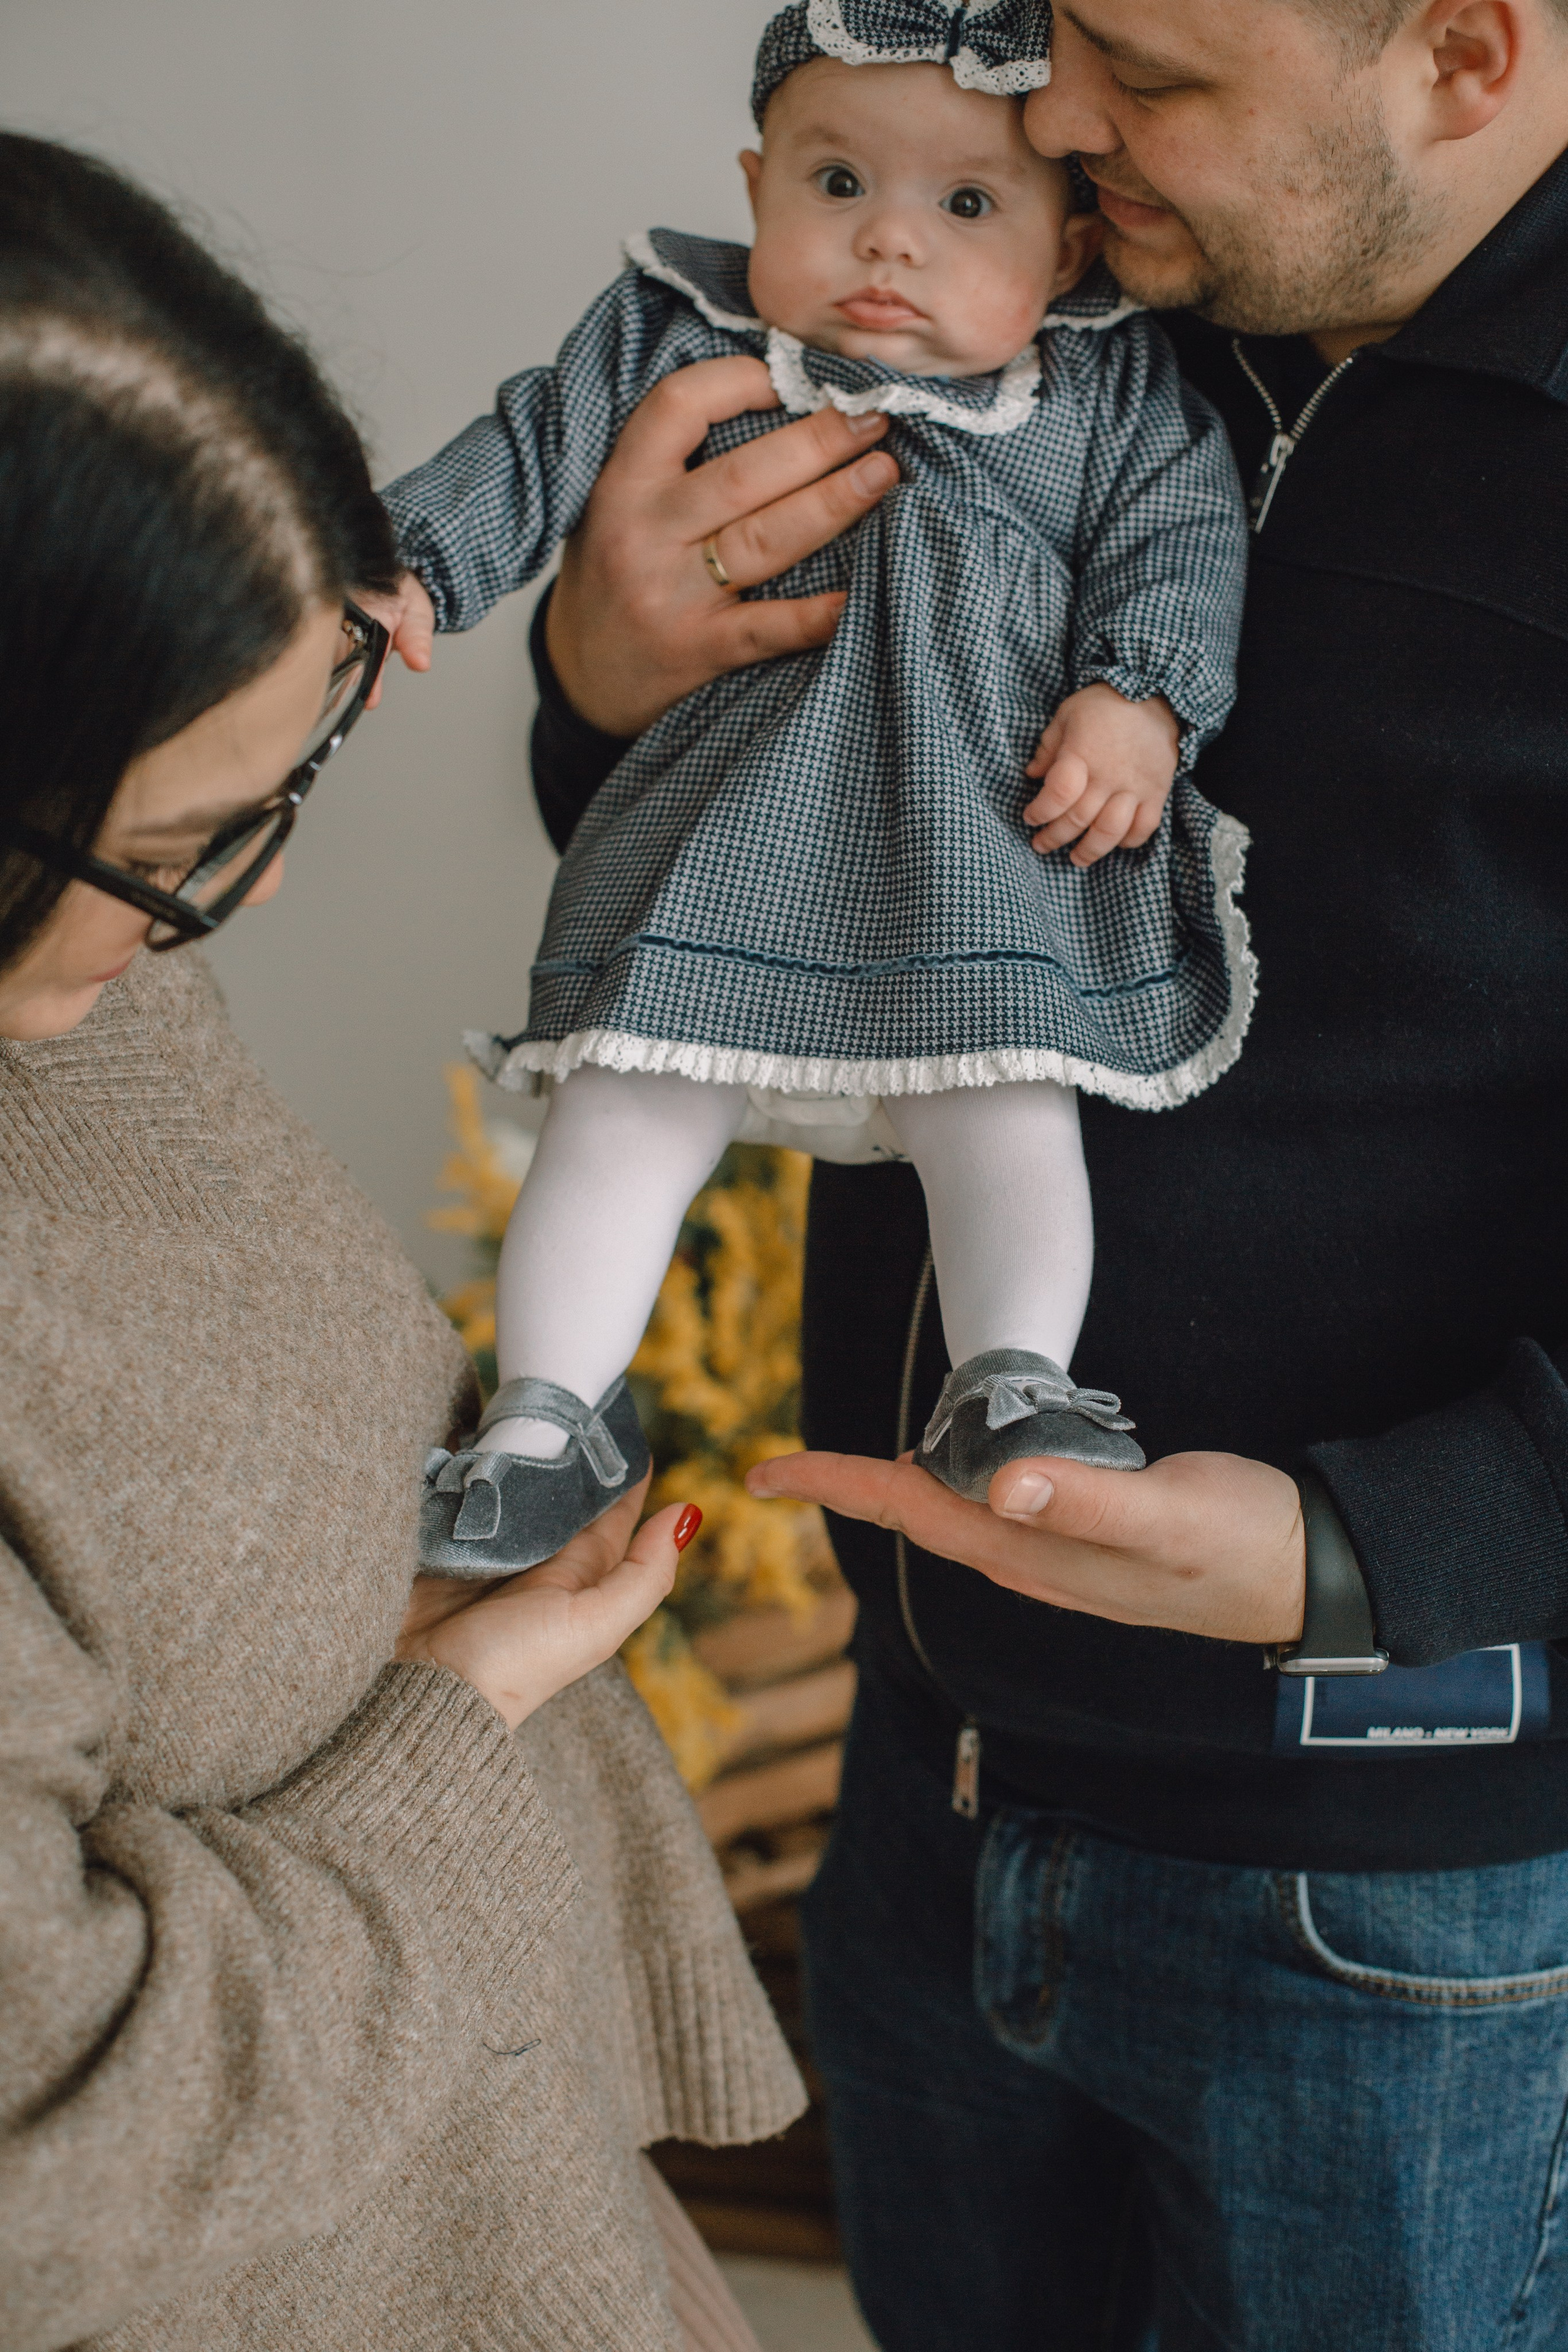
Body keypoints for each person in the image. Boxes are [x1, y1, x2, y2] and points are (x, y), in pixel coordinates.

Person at [523, 0, 1568, 2343]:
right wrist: (602, 689)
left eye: (1147, 66)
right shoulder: (1052, 298)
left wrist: (1379, 1544)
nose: (1055, 118)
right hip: (940, 1789)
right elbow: (779, 848)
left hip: (1415, 1885)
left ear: (1468, 57)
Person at [0, 133, 802, 2352]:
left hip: (483, 2209)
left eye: (291, 783)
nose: (235, 904)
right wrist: (456, 1719)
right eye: (177, 845)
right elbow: (43, 2160)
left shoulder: (85, 990)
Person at [375, 0, 1251, 1580]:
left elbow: (1181, 539)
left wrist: (1141, 695)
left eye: (965, 205)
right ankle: (544, 1415)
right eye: (836, 184)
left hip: (977, 860)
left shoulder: (1111, 394)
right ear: (755, 183)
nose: (888, 246)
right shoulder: (679, 336)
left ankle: (1011, 1381)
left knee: (1005, 1108)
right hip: (724, 843)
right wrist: (407, 566)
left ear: (1066, 255)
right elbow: (527, 449)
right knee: (622, 1109)